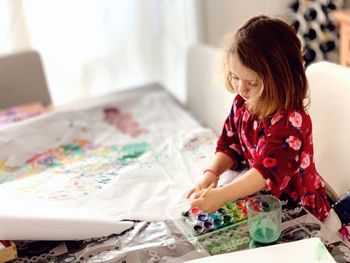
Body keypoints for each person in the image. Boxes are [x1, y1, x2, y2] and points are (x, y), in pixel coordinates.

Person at [187, 15, 331, 222]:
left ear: (280, 79)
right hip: (260, 201)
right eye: (235, 77)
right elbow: (231, 144)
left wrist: (221, 196)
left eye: (252, 83)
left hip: (296, 209)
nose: (241, 88)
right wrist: (212, 172)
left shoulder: (291, 124)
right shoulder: (242, 102)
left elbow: (266, 173)